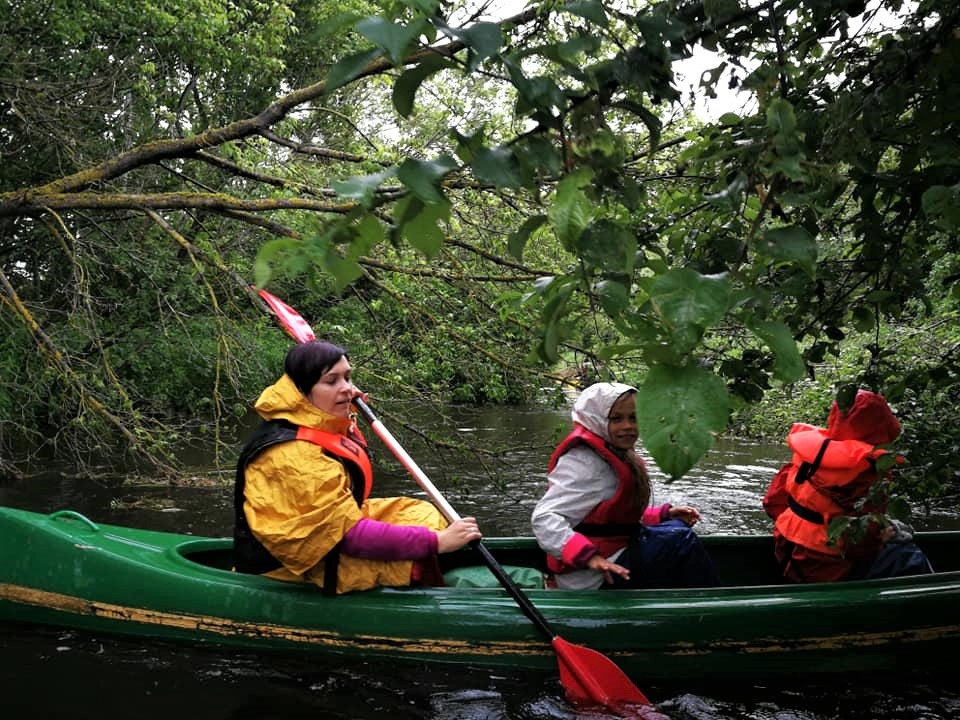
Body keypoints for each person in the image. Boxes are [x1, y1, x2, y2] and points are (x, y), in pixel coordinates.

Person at [233, 340, 482, 594]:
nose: (347, 389)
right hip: (292, 564)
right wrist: (436, 542)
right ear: (302, 391)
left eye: (348, 378)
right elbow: (348, 535)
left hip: (329, 535)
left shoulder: (313, 417)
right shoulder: (294, 457)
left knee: (421, 515)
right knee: (409, 559)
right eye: (332, 381)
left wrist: (343, 405)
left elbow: (335, 442)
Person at [531, 381, 719, 590]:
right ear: (597, 420)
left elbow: (608, 518)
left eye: (634, 418)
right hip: (594, 575)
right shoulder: (584, 463)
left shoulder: (612, 452)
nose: (628, 426)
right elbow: (544, 519)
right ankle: (710, 603)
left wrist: (662, 516)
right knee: (681, 539)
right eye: (616, 419)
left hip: (613, 552)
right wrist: (591, 558)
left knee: (676, 527)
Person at [762, 389, 933, 582]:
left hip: (785, 552)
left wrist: (800, 531)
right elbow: (861, 548)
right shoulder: (868, 474)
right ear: (882, 425)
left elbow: (771, 502)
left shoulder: (808, 457)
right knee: (908, 553)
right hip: (827, 568)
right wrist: (882, 538)